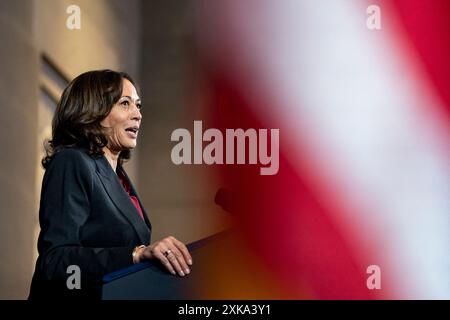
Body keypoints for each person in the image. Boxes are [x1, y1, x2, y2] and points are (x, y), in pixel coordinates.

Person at [29, 70, 192, 299]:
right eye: (125, 103)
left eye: (138, 105)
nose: (138, 115)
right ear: (94, 112)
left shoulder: (119, 177)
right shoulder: (72, 161)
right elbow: (55, 262)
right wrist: (135, 255)